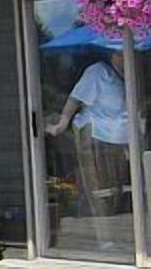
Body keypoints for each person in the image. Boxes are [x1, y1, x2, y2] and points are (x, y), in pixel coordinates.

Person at [46, 51, 130, 221]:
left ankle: (112, 221)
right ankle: (99, 224)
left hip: (119, 137)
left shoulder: (126, 74)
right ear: (112, 54)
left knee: (116, 183)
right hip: (97, 135)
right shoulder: (99, 71)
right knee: (98, 184)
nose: (124, 55)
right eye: (119, 52)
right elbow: (75, 98)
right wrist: (62, 124)